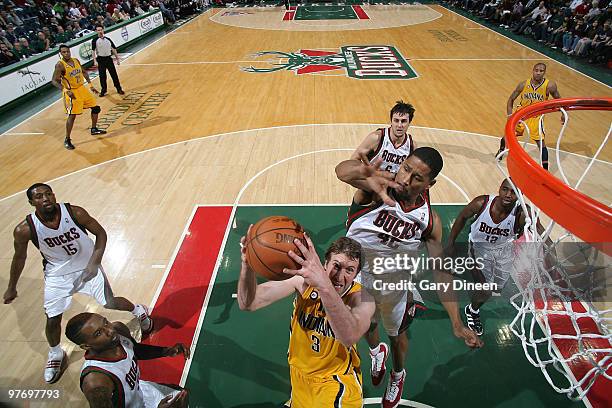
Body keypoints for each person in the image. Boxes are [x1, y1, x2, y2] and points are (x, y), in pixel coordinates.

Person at [336, 147, 483, 408]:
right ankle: (374, 352)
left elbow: (441, 271)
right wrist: (361, 171)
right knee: (367, 324)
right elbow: (341, 171)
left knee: (396, 336)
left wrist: (457, 322)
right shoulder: (374, 189)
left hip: (394, 284)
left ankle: (398, 373)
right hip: (357, 278)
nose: (405, 179)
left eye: (417, 177)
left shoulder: (430, 221)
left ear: (430, 184)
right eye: (405, 168)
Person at [3, 183, 153, 384]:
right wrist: (12, 286)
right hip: (58, 276)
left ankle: (138, 310)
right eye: (39, 196)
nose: (45, 198)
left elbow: (101, 234)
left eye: (48, 194)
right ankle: (56, 354)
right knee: (52, 319)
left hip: (88, 267)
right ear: (31, 202)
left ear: (54, 195)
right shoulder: (24, 229)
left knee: (110, 303)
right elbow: (19, 258)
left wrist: (94, 262)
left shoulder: (75, 213)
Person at [237, 234, 376, 408]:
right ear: (324, 264)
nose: (340, 276)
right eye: (336, 266)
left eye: (349, 270)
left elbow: (349, 336)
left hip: (336, 384)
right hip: (299, 381)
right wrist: (247, 265)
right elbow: (247, 302)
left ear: (356, 274)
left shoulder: (363, 298)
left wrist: (323, 285)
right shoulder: (302, 282)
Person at [445, 178, 548, 336]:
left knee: (495, 289)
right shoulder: (482, 203)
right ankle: (472, 311)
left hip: (503, 251)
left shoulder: (522, 213)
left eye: (514, 192)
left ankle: (474, 294)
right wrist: (451, 242)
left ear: (520, 195)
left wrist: (553, 251)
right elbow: (461, 218)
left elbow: (540, 229)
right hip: (478, 248)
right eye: (505, 190)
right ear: (499, 188)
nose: (508, 195)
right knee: (486, 288)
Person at [66, 312, 189, 407]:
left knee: (182, 395)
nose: (109, 330)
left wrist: (167, 351)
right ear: (86, 346)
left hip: (140, 392)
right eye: (98, 333)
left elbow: (135, 349)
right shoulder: (96, 382)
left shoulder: (118, 330)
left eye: (105, 322)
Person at [497, 63, 561, 170]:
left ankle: (545, 169)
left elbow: (559, 100)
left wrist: (563, 114)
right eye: (536, 70)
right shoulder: (523, 84)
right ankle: (501, 149)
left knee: (541, 142)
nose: (538, 73)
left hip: (536, 116)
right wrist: (509, 115)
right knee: (508, 135)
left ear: (544, 72)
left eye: (541, 71)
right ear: (533, 70)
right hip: (521, 114)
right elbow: (511, 99)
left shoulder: (550, 85)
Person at [350, 100, 416, 205]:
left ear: (409, 123)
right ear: (391, 121)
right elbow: (353, 160)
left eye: (403, 121)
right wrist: (365, 173)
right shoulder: (376, 138)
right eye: (396, 120)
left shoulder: (412, 146)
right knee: (361, 203)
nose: (399, 125)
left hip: (392, 190)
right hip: (369, 187)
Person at [51, 44, 107, 150]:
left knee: (96, 108)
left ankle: (94, 129)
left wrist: (90, 85)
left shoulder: (76, 60)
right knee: (72, 116)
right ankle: (67, 139)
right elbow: (54, 80)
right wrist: (65, 90)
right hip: (71, 91)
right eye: (64, 52)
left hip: (82, 88)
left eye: (67, 51)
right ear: (60, 54)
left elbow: (84, 72)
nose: (66, 53)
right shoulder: (60, 65)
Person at [92, 24, 124, 97]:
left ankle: (119, 88)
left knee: (114, 75)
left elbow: (113, 49)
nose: (100, 31)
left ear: (103, 30)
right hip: (100, 59)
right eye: (98, 30)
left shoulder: (108, 39)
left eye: (101, 30)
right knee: (102, 76)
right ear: (96, 31)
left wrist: (117, 59)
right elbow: (93, 51)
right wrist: (95, 61)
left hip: (108, 59)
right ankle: (104, 90)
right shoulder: (94, 40)